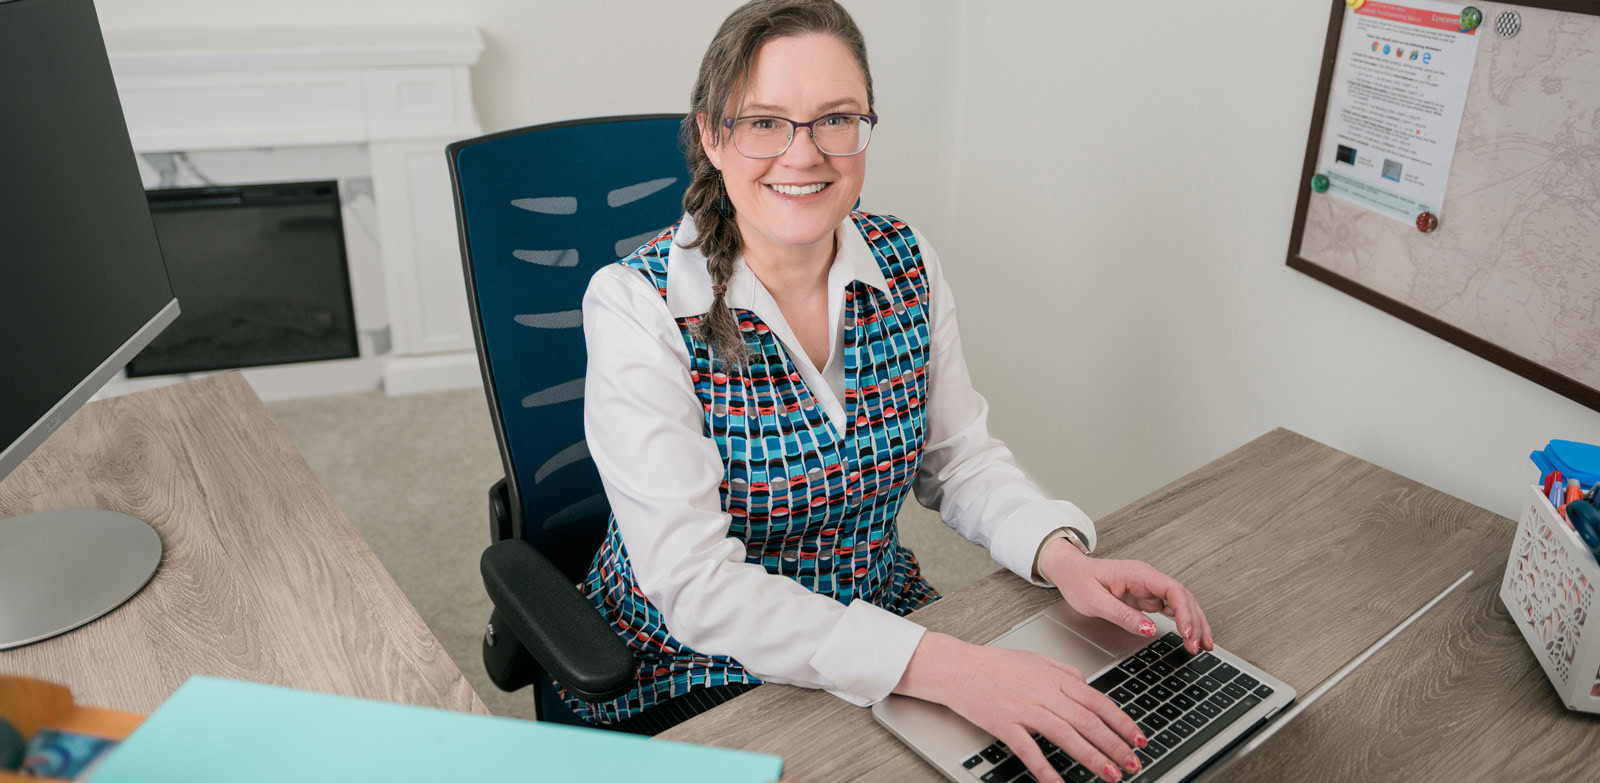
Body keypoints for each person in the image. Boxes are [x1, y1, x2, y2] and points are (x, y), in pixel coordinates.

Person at [561, 2, 1212, 781]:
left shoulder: (906, 261)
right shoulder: (639, 307)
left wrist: (1058, 551)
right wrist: (952, 668)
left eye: (834, 118)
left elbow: (958, 459)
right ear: (711, 135)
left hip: (884, 615)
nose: (803, 155)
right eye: (765, 122)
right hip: (693, 666)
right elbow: (700, 589)